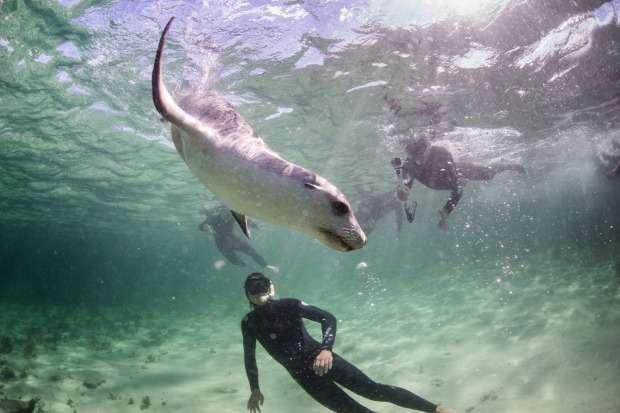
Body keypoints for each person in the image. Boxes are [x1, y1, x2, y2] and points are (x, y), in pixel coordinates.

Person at [241, 273, 456, 413]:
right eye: (255, 290)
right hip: (302, 375)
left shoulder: (290, 305)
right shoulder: (249, 323)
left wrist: (326, 350)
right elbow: (249, 357)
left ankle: (435, 410)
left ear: (271, 287)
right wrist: (255, 389)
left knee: (374, 390)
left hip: (323, 359)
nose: (260, 294)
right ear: (247, 294)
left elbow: (328, 318)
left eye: (263, 288)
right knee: (352, 411)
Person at [395, 137, 525, 229]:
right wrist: (401, 193)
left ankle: (508, 165)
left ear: (429, 147)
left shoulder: (442, 153)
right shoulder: (409, 163)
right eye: (413, 157)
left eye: (420, 157)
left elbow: (457, 188)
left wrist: (446, 210)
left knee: (488, 174)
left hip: (458, 171)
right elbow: (404, 186)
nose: (417, 162)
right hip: (440, 182)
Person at [199, 204, 269, 268]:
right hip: (221, 241)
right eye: (222, 210)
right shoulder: (214, 217)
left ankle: (265, 265)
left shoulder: (232, 215)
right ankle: (245, 265)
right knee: (232, 258)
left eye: (226, 210)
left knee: (250, 251)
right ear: (219, 211)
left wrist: (256, 226)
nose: (225, 212)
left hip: (232, 238)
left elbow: (245, 220)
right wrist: (204, 227)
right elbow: (201, 226)